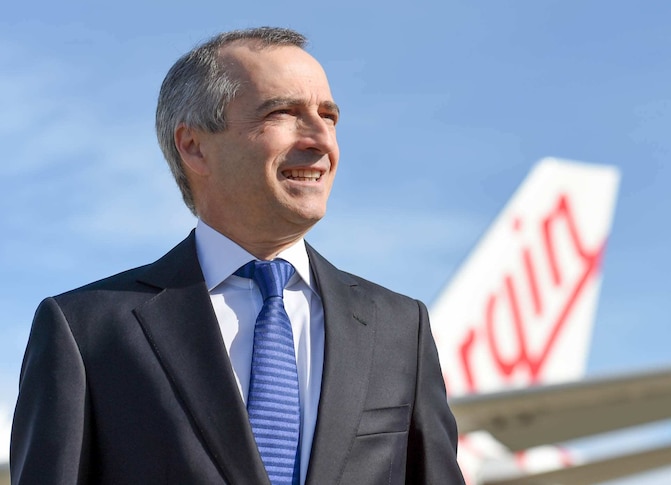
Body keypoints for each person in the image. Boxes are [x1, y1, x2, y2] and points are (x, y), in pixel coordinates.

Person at [10, 27, 464, 484]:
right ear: (193, 145)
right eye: (283, 112)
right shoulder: (86, 330)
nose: (321, 140)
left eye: (328, 116)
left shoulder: (401, 328)